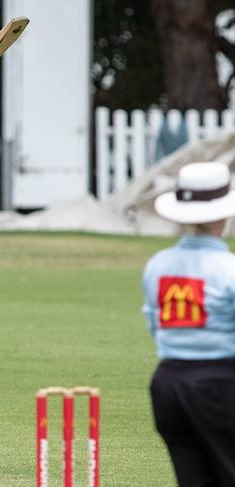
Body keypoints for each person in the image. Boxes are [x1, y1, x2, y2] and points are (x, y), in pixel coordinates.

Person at [142, 161, 235, 487]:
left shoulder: (158, 265)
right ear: (223, 215)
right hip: (219, 384)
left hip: (168, 384)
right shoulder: (228, 268)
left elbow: (155, 325)